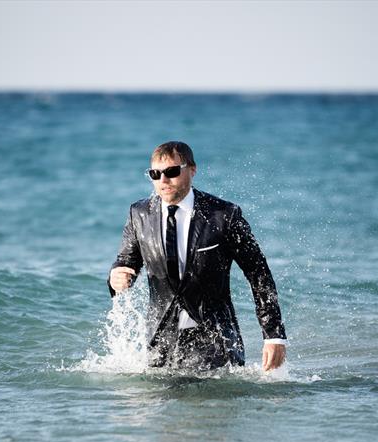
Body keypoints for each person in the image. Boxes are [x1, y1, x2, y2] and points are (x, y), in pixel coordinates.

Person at [108, 141, 287, 371]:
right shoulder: (139, 214)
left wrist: (274, 335)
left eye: (171, 172)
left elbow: (258, 273)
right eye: (155, 174)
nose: (163, 180)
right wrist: (117, 275)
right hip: (161, 341)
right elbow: (126, 262)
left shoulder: (224, 215)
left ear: (192, 169)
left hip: (216, 341)